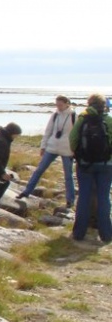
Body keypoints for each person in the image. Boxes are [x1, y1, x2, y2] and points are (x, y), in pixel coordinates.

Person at [16, 95, 76, 208]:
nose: (58, 107)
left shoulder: (73, 116)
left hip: (67, 149)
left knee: (68, 175)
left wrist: (75, 149)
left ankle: (70, 200)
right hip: (52, 147)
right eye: (57, 105)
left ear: (67, 104)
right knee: (39, 170)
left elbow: (77, 134)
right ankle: (26, 191)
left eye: (60, 105)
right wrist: (43, 146)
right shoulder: (55, 115)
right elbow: (48, 131)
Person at [69, 93, 112, 242]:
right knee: (104, 198)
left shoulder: (82, 119)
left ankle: (79, 233)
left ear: (89, 104)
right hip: (106, 165)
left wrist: (78, 155)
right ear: (103, 105)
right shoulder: (109, 120)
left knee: (84, 197)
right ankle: (106, 234)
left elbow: (72, 138)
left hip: (85, 165)